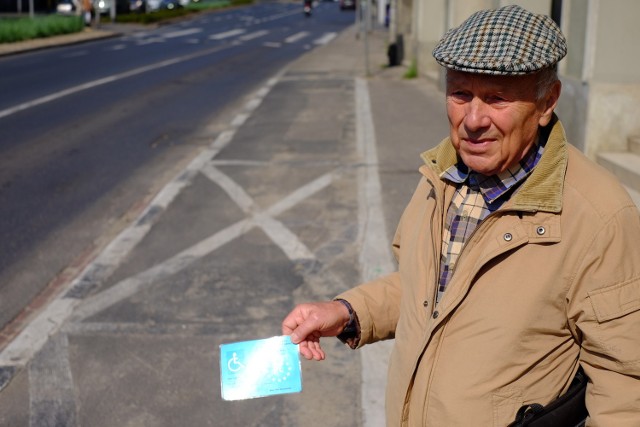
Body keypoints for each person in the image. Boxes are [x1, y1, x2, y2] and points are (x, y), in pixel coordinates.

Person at [281, 4, 640, 426]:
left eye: (497, 99)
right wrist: (347, 311)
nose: (472, 120)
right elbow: (429, 290)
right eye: (460, 94)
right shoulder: (442, 175)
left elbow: (625, 383)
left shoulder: (600, 216)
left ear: (547, 102)